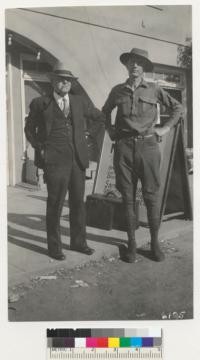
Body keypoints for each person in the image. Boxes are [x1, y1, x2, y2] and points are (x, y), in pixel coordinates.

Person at [102, 48, 183, 263]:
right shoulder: (117, 90)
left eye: (139, 62)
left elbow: (178, 108)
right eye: (131, 62)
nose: (135, 66)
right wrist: (110, 130)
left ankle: (154, 243)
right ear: (127, 66)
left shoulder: (155, 89)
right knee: (127, 198)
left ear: (144, 67)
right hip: (124, 149)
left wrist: (165, 129)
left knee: (151, 197)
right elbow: (104, 112)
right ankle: (131, 245)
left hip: (148, 147)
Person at [25, 61, 105, 260]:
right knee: (55, 204)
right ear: (53, 82)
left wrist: (88, 136)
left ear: (71, 83)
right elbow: (29, 130)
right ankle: (55, 248)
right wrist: (40, 147)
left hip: (77, 160)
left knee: (78, 203)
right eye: (60, 80)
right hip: (54, 161)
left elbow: (100, 118)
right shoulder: (40, 103)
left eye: (68, 80)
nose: (64, 83)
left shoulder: (80, 102)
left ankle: (79, 243)